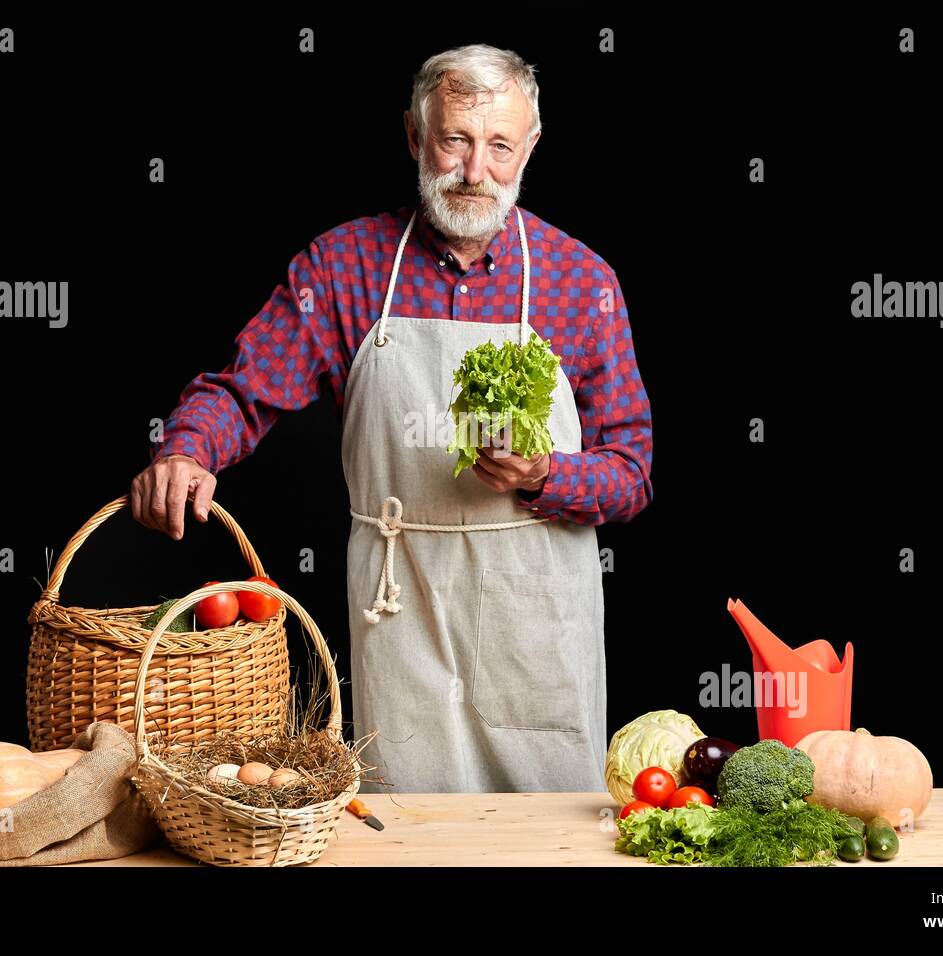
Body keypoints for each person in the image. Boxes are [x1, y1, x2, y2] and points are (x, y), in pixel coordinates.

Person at [130, 43, 653, 793]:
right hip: (400, 598)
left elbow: (631, 471)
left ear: (529, 147)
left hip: (536, 619)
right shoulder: (346, 267)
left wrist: (546, 475)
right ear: (415, 135)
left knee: (545, 828)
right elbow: (244, 389)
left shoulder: (583, 281)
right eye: (454, 140)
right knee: (406, 820)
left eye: (498, 146)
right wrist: (187, 451)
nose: (475, 171)